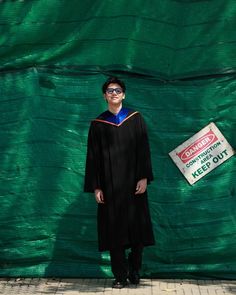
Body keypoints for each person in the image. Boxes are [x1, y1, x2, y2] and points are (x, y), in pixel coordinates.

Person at [84, 77, 155, 288]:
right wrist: (96, 186)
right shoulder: (98, 124)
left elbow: (143, 150)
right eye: (109, 90)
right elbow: (93, 157)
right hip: (110, 187)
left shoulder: (135, 118)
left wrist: (144, 176)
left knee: (137, 230)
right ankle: (120, 276)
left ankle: (135, 267)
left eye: (117, 90)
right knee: (114, 231)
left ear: (123, 94)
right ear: (104, 96)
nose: (113, 93)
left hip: (134, 184)